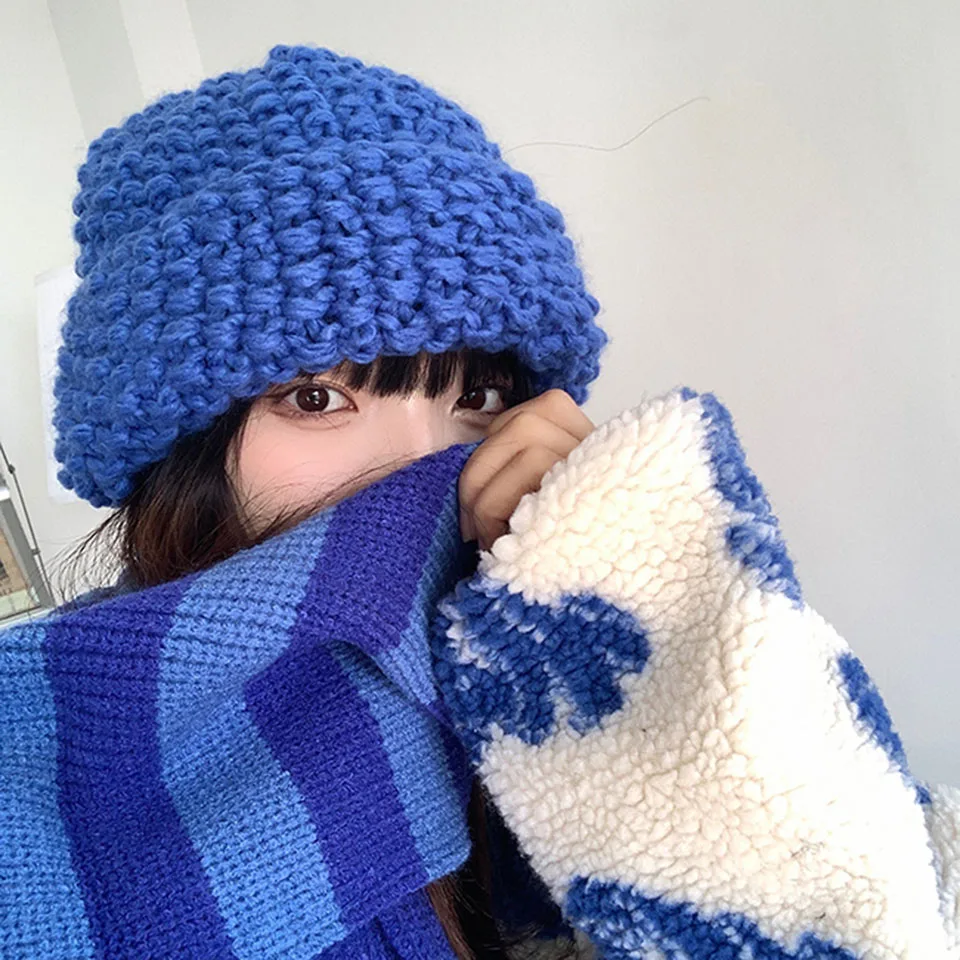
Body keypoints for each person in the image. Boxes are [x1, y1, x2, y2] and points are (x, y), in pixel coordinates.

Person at [52, 42, 609, 959]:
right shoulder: (50, 764)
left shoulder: (530, 660)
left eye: (477, 395)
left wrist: (637, 598)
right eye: (316, 398)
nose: (424, 469)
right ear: (180, 446)